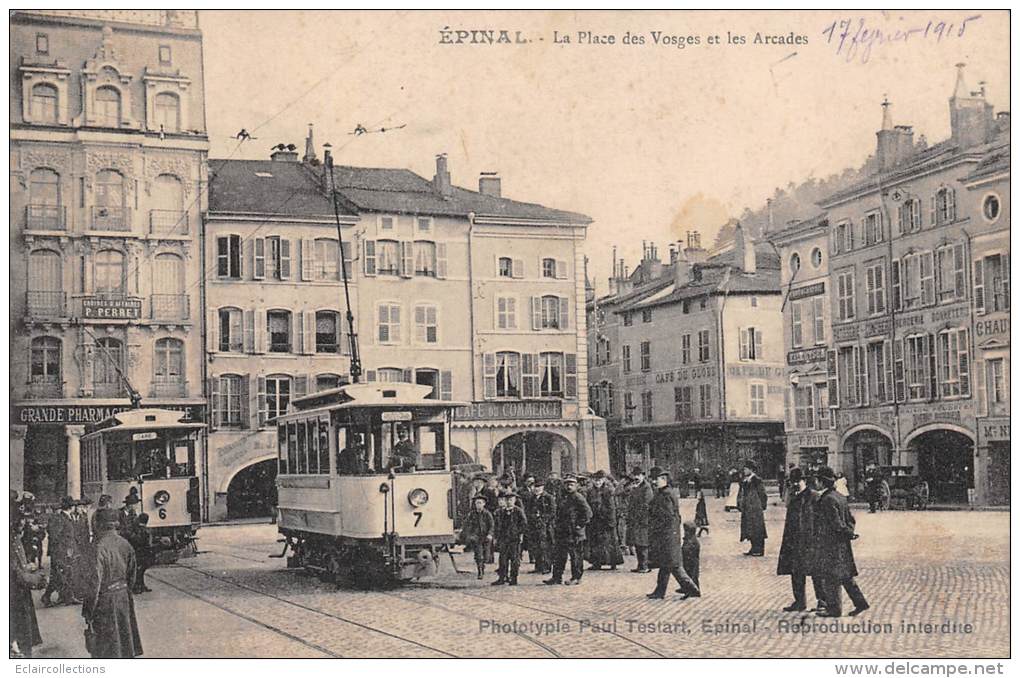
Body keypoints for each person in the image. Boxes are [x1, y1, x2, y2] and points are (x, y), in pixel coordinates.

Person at [81, 508, 143, 658]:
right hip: (123, 598)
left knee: (106, 648)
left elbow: (94, 583)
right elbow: (132, 575)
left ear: (98, 524)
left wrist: (88, 610)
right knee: (125, 642)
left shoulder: (97, 547)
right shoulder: (125, 544)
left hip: (105, 602)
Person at [814, 467, 869, 618]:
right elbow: (851, 520)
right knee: (845, 575)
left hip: (830, 543)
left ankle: (834, 609)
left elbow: (836, 523)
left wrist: (845, 532)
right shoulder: (840, 497)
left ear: (821, 482)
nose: (816, 483)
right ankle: (860, 603)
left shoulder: (827, 499)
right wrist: (849, 533)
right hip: (842, 543)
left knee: (831, 576)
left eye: (817, 479)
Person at [646, 467, 700, 600]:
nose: (654, 482)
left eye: (656, 479)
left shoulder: (665, 495)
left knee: (673, 565)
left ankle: (692, 589)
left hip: (666, 535)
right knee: (666, 564)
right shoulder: (666, 493)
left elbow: (667, 516)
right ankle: (659, 592)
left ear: (664, 480)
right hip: (669, 534)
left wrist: (656, 526)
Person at [777, 468, 826, 612]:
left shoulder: (814, 496)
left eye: (797, 482)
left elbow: (819, 519)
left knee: (816, 571)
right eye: (793, 482)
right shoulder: (793, 497)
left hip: (811, 541)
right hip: (795, 540)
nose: (795, 485)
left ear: (804, 481)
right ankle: (800, 602)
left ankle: (822, 600)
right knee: (796, 571)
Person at [544, 475, 592, 586]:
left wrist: (580, 525)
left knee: (575, 556)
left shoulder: (578, 497)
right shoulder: (563, 497)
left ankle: (576, 577)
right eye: (567, 484)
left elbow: (588, 513)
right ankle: (556, 577)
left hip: (574, 533)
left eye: (571, 484)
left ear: (576, 486)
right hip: (562, 532)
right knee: (559, 556)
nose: (569, 487)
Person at [11, 510, 46, 658]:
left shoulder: (13, 538)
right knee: (20, 625)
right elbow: (15, 572)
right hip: (15, 591)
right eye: (22, 521)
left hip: (18, 588)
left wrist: (27, 566)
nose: (25, 524)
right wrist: (37, 580)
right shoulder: (10, 541)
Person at [42, 496, 78, 607]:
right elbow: (55, 536)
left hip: (66, 551)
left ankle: (66, 596)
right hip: (61, 552)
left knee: (64, 574)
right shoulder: (60, 518)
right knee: (59, 575)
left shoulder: (66, 517)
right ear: (71, 507)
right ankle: (47, 596)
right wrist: (64, 550)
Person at [585, 470, 623, 571]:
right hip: (595, 521)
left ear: (603, 480)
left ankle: (613, 562)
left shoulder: (608, 491)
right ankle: (597, 563)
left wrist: (611, 521)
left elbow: (611, 507)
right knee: (595, 542)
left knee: (609, 542)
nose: (597, 483)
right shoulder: (590, 491)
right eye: (595, 480)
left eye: (599, 480)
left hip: (606, 520)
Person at [492, 490, 528, 586]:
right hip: (503, 538)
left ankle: (514, 578)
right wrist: (496, 537)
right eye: (507, 500)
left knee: (514, 559)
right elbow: (497, 525)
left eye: (511, 500)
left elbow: (524, 524)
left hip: (514, 539)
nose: (509, 502)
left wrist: (520, 534)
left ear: (515, 500)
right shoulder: (500, 512)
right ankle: (502, 577)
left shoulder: (518, 511)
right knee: (502, 559)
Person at [523, 478, 556, 574]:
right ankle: (538, 566)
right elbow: (527, 511)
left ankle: (547, 566)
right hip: (533, 526)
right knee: (535, 546)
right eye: (534, 487)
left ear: (543, 487)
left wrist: (542, 518)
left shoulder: (548, 498)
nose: (536, 489)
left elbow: (553, 512)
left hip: (545, 527)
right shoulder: (531, 498)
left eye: (539, 487)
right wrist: (532, 518)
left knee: (545, 547)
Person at [737, 461, 768, 556]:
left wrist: (762, 506)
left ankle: (759, 549)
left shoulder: (757, 480)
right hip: (747, 508)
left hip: (755, 508)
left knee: (757, 528)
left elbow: (763, 494)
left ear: (751, 469)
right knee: (749, 528)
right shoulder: (745, 480)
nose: (744, 471)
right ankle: (753, 547)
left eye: (746, 469)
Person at [626, 467, 653, 573]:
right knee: (637, 543)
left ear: (643, 476)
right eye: (635, 475)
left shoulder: (647, 488)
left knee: (643, 543)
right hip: (635, 520)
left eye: (639, 475)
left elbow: (646, 505)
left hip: (643, 520)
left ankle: (645, 565)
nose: (636, 477)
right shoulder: (635, 487)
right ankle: (640, 565)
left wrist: (640, 516)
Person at [461, 495, 494, 579]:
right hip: (476, 537)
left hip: (486, 537)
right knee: (479, 555)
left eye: (480, 503)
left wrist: (490, 534)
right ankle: (480, 571)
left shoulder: (487, 514)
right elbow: (466, 525)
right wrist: (470, 535)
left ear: (484, 504)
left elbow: (491, 525)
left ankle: (483, 565)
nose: (478, 505)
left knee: (486, 556)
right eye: (476, 503)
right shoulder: (472, 514)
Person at [126, 514, 154, 594]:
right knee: (141, 571)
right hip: (145, 553)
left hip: (139, 552)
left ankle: (138, 587)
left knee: (139, 571)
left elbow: (136, 540)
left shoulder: (138, 529)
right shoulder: (147, 530)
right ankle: (140, 586)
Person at [681, 521, 701, 592]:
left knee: (692, 575)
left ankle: (693, 590)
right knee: (690, 574)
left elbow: (686, 549)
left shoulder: (692, 541)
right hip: (689, 560)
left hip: (691, 561)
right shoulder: (690, 539)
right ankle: (688, 588)